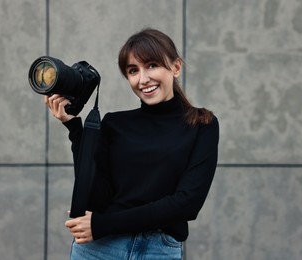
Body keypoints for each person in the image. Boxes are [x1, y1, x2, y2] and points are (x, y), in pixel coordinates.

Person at [45, 28, 219, 260]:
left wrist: (103, 224)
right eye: (133, 70)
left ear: (175, 67)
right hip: (99, 250)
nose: (143, 79)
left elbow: (187, 203)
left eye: (152, 65)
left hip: (158, 250)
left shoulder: (202, 124)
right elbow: (97, 197)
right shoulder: (114, 124)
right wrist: (76, 130)